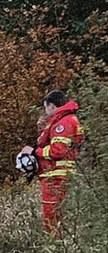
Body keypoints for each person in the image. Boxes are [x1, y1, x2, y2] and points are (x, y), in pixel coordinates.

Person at [18, 91, 83, 235]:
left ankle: (57, 246)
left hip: (56, 178)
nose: (45, 112)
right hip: (60, 176)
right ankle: (63, 244)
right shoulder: (68, 119)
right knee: (61, 216)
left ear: (52, 106)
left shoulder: (63, 123)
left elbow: (58, 151)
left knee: (52, 216)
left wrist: (35, 152)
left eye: (45, 108)